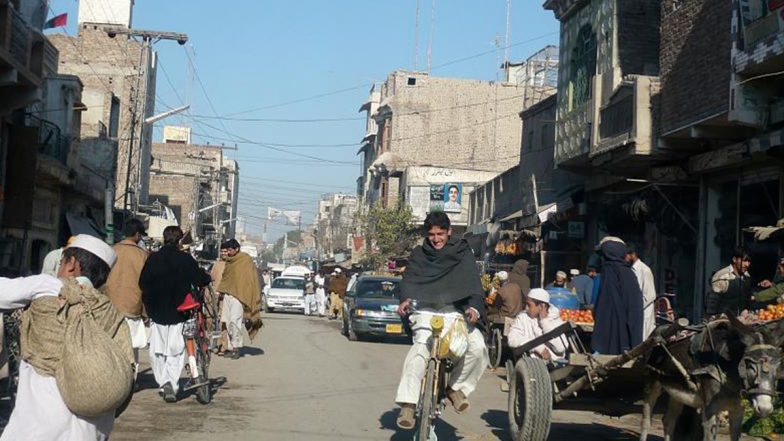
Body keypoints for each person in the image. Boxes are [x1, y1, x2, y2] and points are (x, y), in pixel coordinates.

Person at [1, 234, 131, 440]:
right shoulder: (111, 313)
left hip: (39, 423)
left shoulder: (47, 286)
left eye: (61, 262)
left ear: (72, 264)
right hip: (92, 428)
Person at [394, 211, 487, 430]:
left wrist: (474, 308)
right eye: (432, 234)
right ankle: (408, 403)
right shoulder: (419, 254)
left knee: (478, 347)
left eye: (440, 234)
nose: (436, 239)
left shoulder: (462, 253)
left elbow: (473, 284)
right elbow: (409, 281)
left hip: (454, 313)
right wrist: (405, 300)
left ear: (449, 232)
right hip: (425, 312)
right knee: (419, 352)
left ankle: (455, 389)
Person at [140, 226, 211, 402]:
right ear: (180, 241)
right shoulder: (185, 259)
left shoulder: (153, 259)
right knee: (175, 350)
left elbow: (142, 283)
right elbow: (199, 279)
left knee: (157, 349)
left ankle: (163, 382)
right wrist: (207, 278)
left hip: (156, 311)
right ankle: (171, 382)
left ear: (163, 239)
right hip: (179, 311)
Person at [105, 219, 149, 369]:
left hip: (110, 305)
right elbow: (146, 284)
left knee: (112, 342)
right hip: (132, 305)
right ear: (137, 234)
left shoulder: (112, 250)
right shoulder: (142, 255)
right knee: (131, 345)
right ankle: (131, 377)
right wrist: (145, 311)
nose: (141, 238)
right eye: (141, 235)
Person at [592, 239, 643, 355]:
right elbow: (635, 311)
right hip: (621, 341)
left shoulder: (612, 273)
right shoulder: (624, 273)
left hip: (606, 341)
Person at [217, 239, 262, 359]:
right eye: (227, 250)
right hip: (227, 294)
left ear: (237, 249)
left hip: (239, 296)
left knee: (234, 322)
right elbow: (227, 278)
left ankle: (236, 347)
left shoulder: (245, 260)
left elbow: (249, 279)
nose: (228, 252)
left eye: (230, 250)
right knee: (225, 321)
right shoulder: (229, 261)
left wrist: (247, 294)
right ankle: (229, 347)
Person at [507, 288, 568, 362]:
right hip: (532, 364)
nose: (526, 308)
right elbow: (512, 339)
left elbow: (560, 348)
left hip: (556, 363)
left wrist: (544, 322)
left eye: (529, 305)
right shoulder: (523, 318)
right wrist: (538, 347)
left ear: (541, 306)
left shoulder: (555, 319)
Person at [706, 247, 761, 317]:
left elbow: (747, 299)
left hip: (741, 321)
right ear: (734, 259)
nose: (747, 264)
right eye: (744, 261)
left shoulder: (746, 276)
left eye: (749, 261)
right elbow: (712, 303)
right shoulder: (722, 276)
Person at [626, 246, 657, 340]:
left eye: (626, 256)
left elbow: (650, 295)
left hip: (643, 313)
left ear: (633, 255)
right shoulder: (630, 270)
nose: (625, 259)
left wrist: (636, 308)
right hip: (634, 314)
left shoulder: (644, 270)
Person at [492, 271, 524, 335]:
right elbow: (523, 299)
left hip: (506, 316)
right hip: (518, 314)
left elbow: (496, 306)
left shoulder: (501, 291)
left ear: (499, 281)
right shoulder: (517, 286)